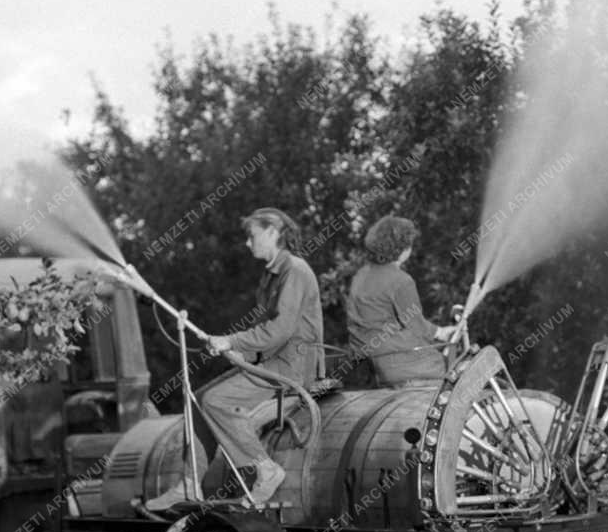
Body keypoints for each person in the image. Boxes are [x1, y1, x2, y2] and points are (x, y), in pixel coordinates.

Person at [147, 207, 323, 509]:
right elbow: (267, 332)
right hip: (273, 362)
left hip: (293, 365)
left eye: (252, 235)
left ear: (272, 233)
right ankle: (190, 484)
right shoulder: (271, 275)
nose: (247, 243)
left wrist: (232, 340)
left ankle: (266, 470)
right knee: (199, 398)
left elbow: (281, 330)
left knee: (216, 401)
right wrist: (237, 350)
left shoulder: (295, 270)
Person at [346, 215, 456, 387]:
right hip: (404, 364)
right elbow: (416, 326)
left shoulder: (360, 275)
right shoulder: (401, 281)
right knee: (455, 369)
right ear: (403, 249)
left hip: (374, 365)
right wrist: (441, 332)